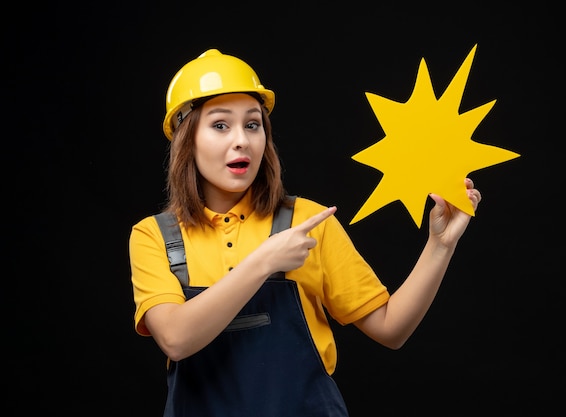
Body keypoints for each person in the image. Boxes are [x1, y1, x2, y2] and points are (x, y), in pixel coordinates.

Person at [129, 49, 482, 417]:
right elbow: (176, 339)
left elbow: (391, 329)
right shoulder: (155, 236)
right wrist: (266, 261)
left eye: (252, 125)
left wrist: (440, 245)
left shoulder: (308, 222)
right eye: (220, 125)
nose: (242, 141)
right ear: (187, 139)